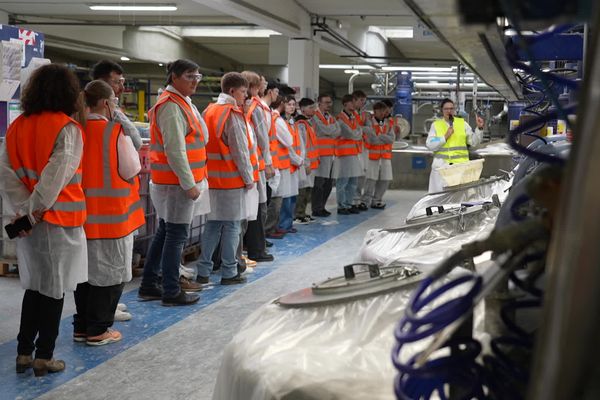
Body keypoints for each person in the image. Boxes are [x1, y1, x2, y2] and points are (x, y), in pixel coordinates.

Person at [0, 64, 87, 376]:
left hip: (27, 223)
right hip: (57, 220)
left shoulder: (17, 126)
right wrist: (34, 213)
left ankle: (24, 352)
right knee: (53, 289)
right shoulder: (68, 128)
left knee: (35, 286)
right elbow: (56, 177)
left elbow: (6, 174)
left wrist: (22, 213)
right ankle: (44, 356)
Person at [73, 80, 145, 345]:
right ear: (106, 103)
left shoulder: (74, 129)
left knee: (84, 275)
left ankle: (81, 326)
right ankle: (99, 329)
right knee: (110, 276)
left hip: (79, 217)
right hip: (112, 219)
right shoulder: (113, 132)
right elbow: (130, 169)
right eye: (114, 100)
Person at [138, 59, 209, 306]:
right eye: (190, 76)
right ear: (174, 77)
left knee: (166, 232)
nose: (194, 82)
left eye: (197, 77)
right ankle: (171, 290)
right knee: (176, 235)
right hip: (175, 184)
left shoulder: (182, 103)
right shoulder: (170, 106)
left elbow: (201, 138)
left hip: (174, 182)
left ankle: (149, 284)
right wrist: (189, 184)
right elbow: (175, 150)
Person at [196, 72, 254, 285]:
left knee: (212, 225)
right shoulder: (232, 113)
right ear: (232, 91)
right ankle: (229, 272)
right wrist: (249, 178)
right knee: (232, 226)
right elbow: (240, 151)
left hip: (210, 179)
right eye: (243, 92)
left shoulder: (209, 110)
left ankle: (203, 271)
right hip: (230, 181)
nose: (245, 97)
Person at [241, 70, 274, 262]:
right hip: (257, 164)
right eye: (261, 82)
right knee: (259, 207)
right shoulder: (256, 107)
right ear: (253, 87)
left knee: (247, 210)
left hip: (246, 164)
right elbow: (263, 137)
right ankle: (257, 250)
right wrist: (268, 163)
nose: (264, 85)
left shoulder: (242, 107)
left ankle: (249, 248)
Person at [426, 98, 485, 193]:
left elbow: (474, 142)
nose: (449, 111)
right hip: (442, 168)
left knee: (459, 199)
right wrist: (444, 137)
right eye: (446, 109)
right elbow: (430, 145)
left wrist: (479, 128)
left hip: (460, 168)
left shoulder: (462, 124)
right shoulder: (436, 125)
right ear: (442, 110)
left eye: (451, 108)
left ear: (454, 110)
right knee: (439, 198)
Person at [91, 60, 142, 150]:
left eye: (122, 82)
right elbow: (136, 142)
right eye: (117, 82)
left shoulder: (80, 108)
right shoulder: (112, 113)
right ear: (102, 83)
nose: (122, 88)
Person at [311, 94, 340, 217]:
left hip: (331, 154)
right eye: (326, 102)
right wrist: (330, 130)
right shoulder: (315, 117)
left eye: (330, 102)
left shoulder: (331, 117)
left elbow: (338, 131)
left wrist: (330, 129)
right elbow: (325, 130)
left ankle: (322, 206)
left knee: (328, 183)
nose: (328, 105)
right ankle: (316, 208)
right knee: (319, 183)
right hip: (320, 154)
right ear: (319, 103)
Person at [334, 94, 364, 215]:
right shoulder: (340, 118)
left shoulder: (353, 117)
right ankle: (341, 205)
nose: (354, 105)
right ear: (345, 104)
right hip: (344, 153)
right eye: (352, 102)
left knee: (353, 181)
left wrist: (356, 133)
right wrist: (356, 133)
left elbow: (359, 132)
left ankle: (349, 203)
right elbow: (351, 134)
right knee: (343, 181)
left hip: (353, 152)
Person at [362, 101, 395, 209]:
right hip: (372, 156)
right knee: (370, 180)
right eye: (379, 111)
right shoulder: (369, 123)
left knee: (385, 179)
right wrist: (383, 137)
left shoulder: (388, 123)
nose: (382, 113)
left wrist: (379, 136)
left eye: (384, 111)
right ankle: (365, 201)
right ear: (374, 111)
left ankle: (377, 200)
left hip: (385, 156)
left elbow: (391, 139)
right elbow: (372, 139)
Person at [277, 96, 302, 233]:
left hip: (295, 164)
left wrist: (300, 159)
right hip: (287, 163)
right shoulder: (281, 122)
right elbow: (287, 146)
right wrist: (297, 159)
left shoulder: (293, 122)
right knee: (285, 197)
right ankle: (282, 225)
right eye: (289, 104)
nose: (292, 107)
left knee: (292, 196)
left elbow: (299, 143)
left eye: (293, 104)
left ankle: (288, 223)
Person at [294, 98, 319, 223]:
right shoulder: (301, 123)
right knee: (302, 189)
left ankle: (303, 212)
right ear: (302, 109)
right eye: (310, 107)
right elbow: (302, 145)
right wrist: (306, 163)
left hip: (311, 162)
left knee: (308, 188)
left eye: (314, 107)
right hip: (305, 162)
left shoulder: (309, 123)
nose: (313, 110)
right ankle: (298, 214)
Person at [351, 90, 372, 210]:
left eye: (364, 101)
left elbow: (369, 129)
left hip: (363, 147)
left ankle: (357, 200)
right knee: (354, 175)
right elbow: (353, 129)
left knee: (362, 174)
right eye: (361, 101)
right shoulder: (350, 114)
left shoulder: (364, 114)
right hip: (353, 148)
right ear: (354, 100)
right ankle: (352, 201)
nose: (363, 103)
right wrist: (362, 128)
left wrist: (361, 128)